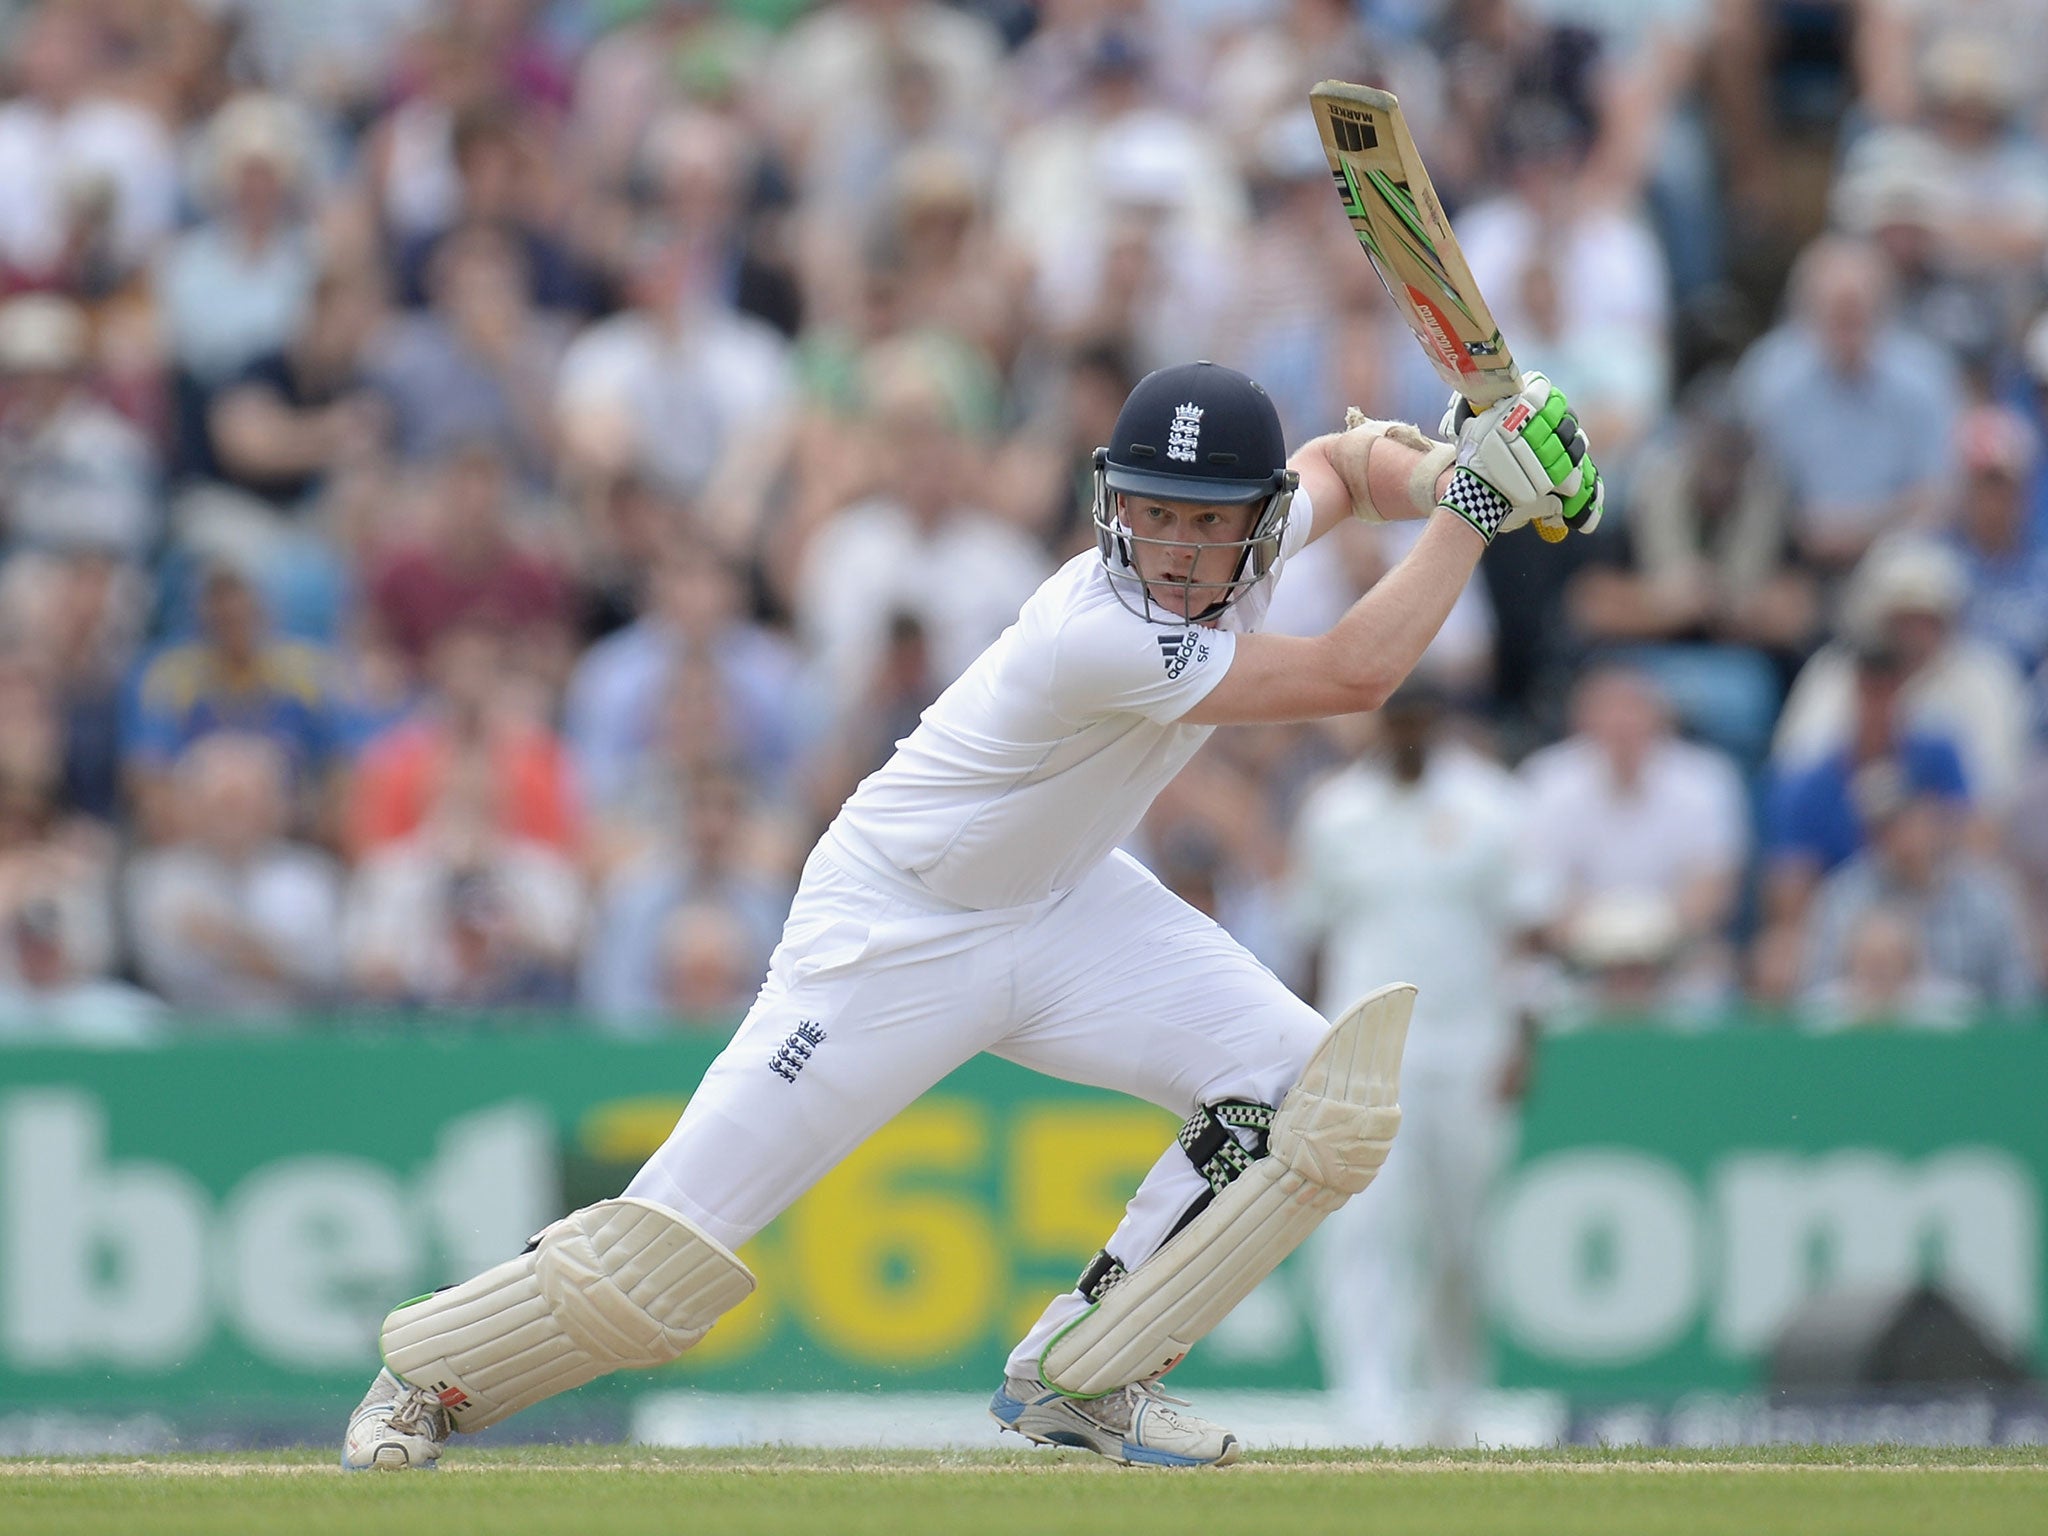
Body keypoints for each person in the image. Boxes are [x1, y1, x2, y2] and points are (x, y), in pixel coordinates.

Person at [343, 358, 1601, 1471]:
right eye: (1145, 513)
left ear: (1255, 523)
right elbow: (1352, 673)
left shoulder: (1260, 532)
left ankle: (1086, 1374)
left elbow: (1336, 460)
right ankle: (420, 1382)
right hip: (895, 928)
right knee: (661, 1264)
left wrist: (1452, 457)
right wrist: (1479, 504)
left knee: (1308, 1104)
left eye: (1199, 522)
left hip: (1064, 904)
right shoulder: (1098, 633)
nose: (1165, 546)